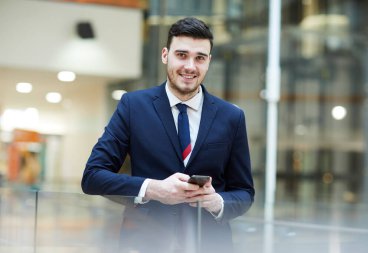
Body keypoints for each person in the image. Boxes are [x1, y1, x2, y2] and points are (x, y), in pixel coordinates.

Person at [81, 17, 255, 253]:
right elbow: (93, 176)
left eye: (200, 58)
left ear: (208, 62)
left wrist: (217, 202)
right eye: (181, 55)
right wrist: (153, 189)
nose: (190, 66)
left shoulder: (232, 117)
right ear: (165, 55)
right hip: (144, 243)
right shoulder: (133, 106)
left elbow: (244, 192)